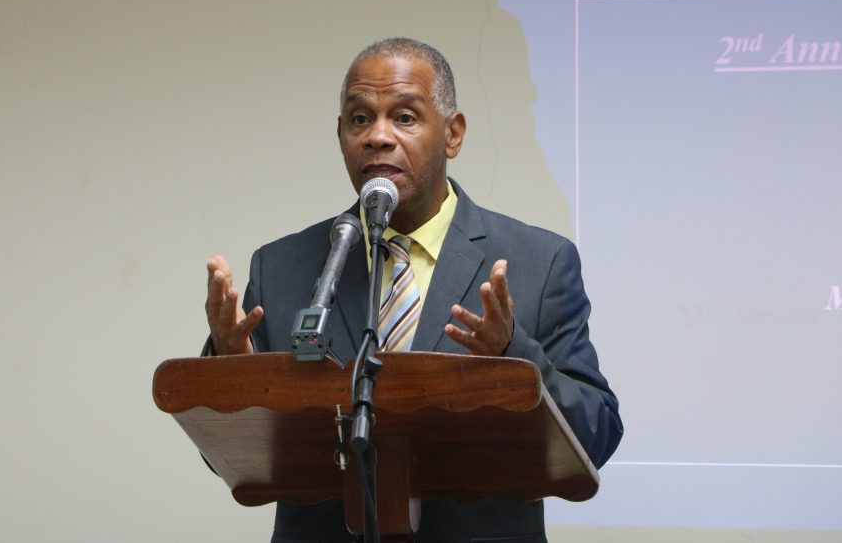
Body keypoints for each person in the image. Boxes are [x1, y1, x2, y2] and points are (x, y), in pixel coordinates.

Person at [204, 37, 622, 542]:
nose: (378, 136)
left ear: (453, 133)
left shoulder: (538, 262)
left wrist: (515, 355)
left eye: (404, 117)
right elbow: (231, 459)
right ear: (340, 134)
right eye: (360, 119)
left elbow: (595, 433)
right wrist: (229, 371)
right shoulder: (283, 266)